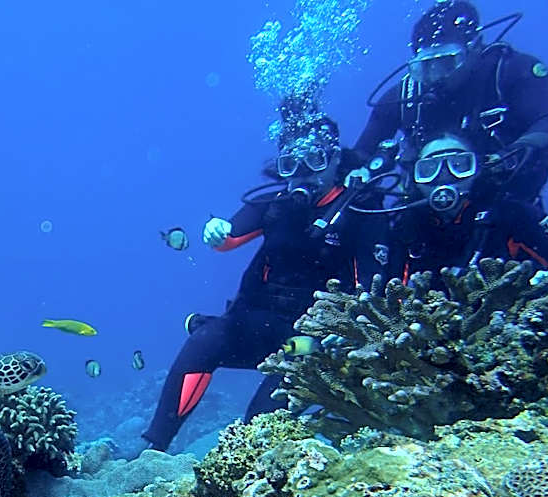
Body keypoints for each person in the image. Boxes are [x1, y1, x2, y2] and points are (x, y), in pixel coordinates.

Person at [140, 114, 385, 453]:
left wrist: (341, 341)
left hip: (311, 342)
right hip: (257, 325)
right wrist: (215, 231)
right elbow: (228, 237)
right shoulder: (273, 205)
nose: (302, 174)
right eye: (290, 164)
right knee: (205, 339)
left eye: (314, 161)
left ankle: (247, 467)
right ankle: (152, 450)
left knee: (257, 425)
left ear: (335, 160)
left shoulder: (360, 209)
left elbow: (370, 289)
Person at [350, 0, 548, 207]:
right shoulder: (404, 97)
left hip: (508, 207)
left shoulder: (511, 72)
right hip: (427, 214)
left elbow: (547, 119)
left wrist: (521, 149)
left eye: (447, 63)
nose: (436, 76)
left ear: (475, 47)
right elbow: (360, 155)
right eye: (426, 67)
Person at [386, 133, 548, 277]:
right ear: (415, 180)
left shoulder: (515, 216)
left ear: (477, 171)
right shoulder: (405, 230)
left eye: (458, 165)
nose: (445, 177)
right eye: (430, 169)